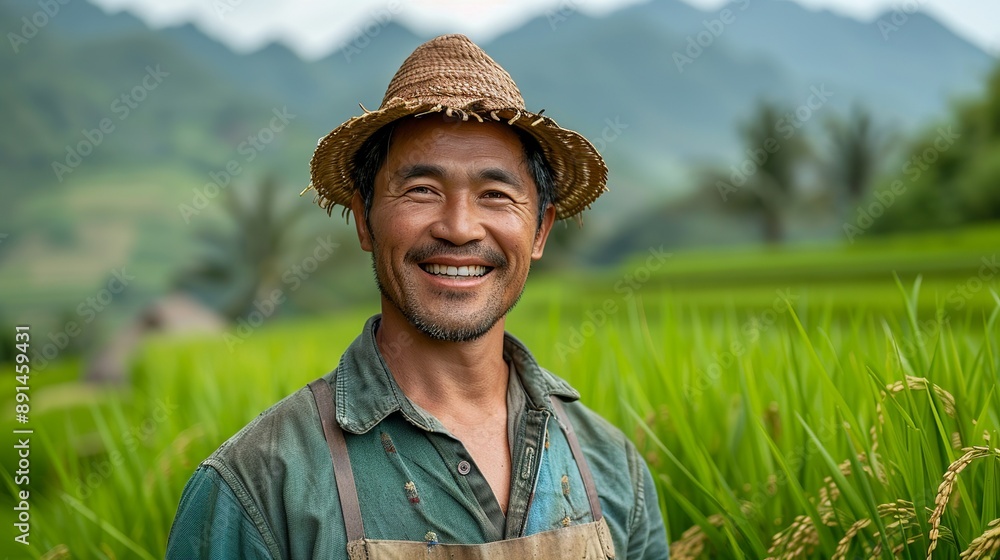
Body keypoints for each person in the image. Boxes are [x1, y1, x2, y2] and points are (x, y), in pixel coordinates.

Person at [166, 34, 669, 559]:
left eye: (495, 194)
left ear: (540, 230)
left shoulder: (613, 468)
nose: (458, 228)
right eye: (422, 190)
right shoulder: (258, 486)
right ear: (364, 219)